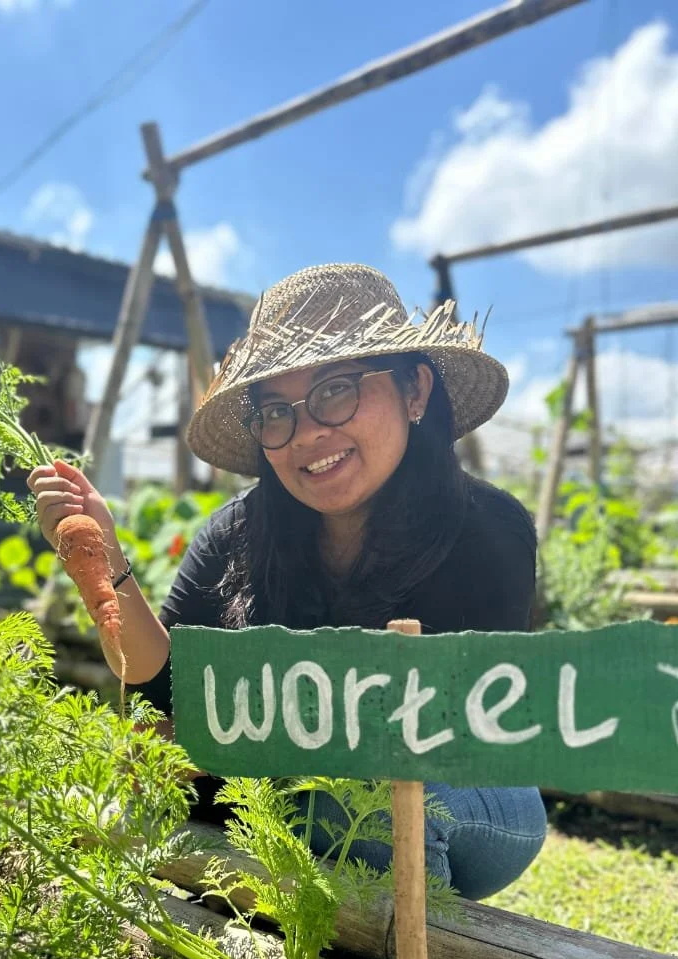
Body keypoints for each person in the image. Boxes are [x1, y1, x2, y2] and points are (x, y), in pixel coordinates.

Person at [28, 263, 547, 902]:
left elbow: (437, 732)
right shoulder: (235, 534)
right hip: (298, 787)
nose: (308, 433)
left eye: (337, 390)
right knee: (161, 783)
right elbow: (164, 690)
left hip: (471, 787)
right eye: (278, 412)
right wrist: (102, 561)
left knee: (358, 803)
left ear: (414, 389)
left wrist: (220, 747)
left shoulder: (487, 531)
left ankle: (411, 936)